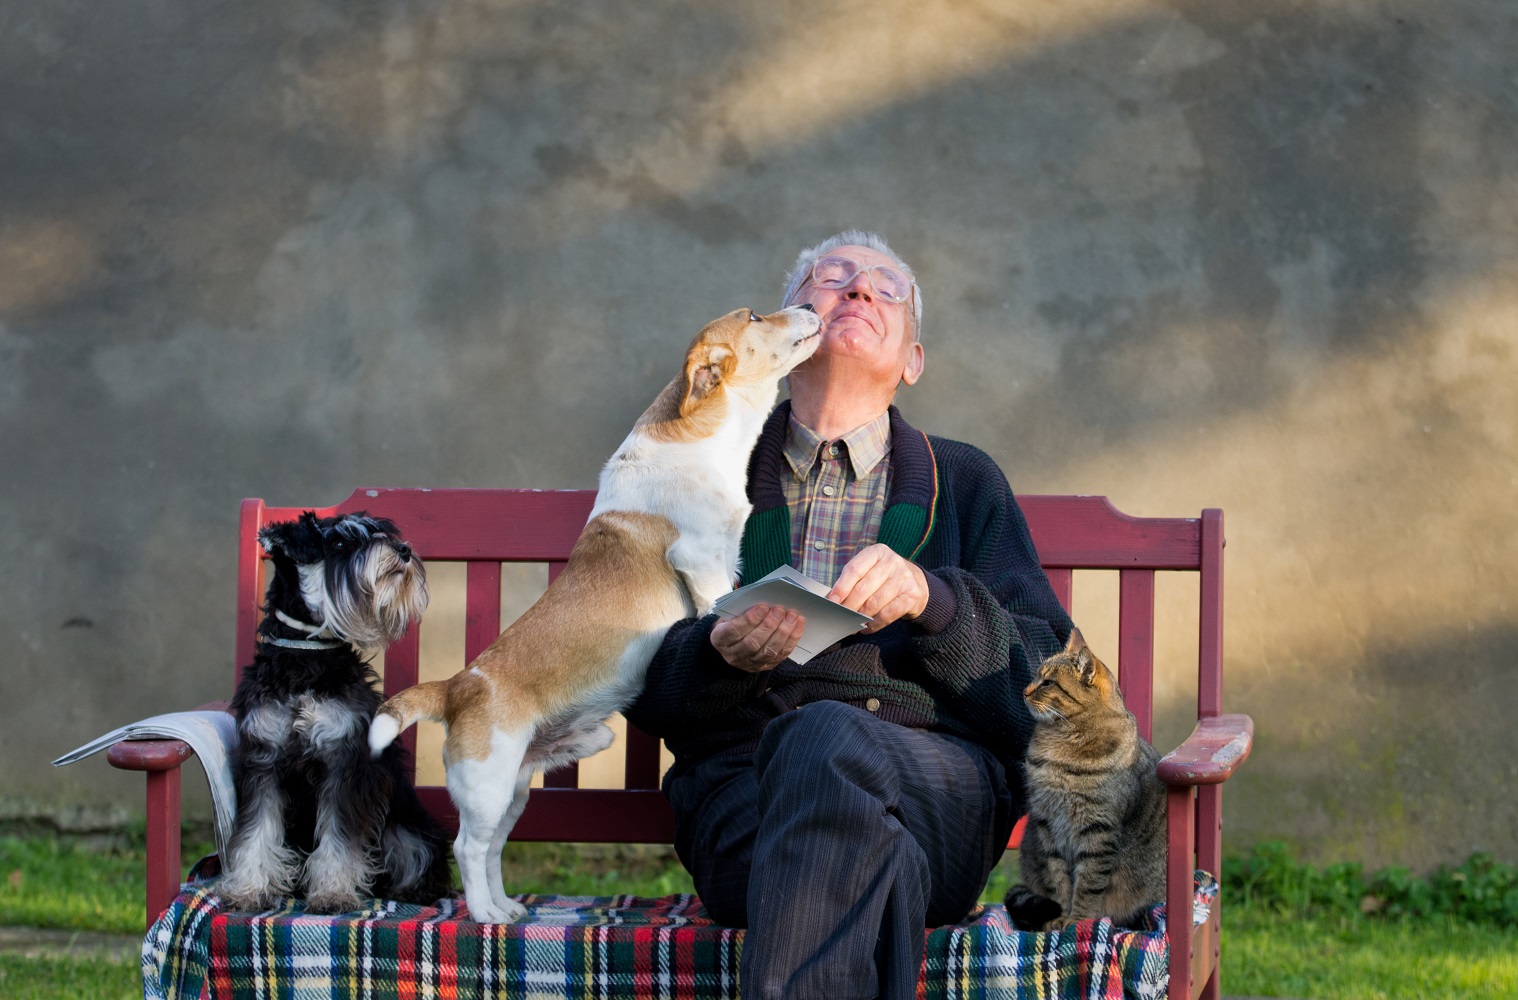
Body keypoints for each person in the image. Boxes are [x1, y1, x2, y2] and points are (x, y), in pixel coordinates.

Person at [625, 230, 1073, 1000]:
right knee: (873, 853)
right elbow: (636, 679)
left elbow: (1054, 699)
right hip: (747, 806)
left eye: (886, 288)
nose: (859, 290)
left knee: (827, 739)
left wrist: (937, 602)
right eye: (832, 278)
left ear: (913, 363)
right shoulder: (697, 476)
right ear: (786, 330)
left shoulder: (965, 482)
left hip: (938, 793)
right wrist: (718, 653)